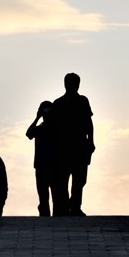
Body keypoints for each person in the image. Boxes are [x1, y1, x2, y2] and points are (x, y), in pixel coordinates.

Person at [51, 73, 95, 216]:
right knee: (64, 179)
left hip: (79, 146)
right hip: (65, 147)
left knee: (79, 179)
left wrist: (91, 140)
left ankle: (74, 205)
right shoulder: (58, 103)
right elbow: (54, 127)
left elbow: (89, 123)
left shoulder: (82, 101)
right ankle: (68, 206)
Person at [25, 101, 56, 217]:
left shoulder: (57, 128)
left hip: (53, 167)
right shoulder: (39, 129)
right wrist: (37, 118)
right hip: (41, 167)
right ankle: (45, 216)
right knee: (43, 198)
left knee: (56, 198)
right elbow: (28, 134)